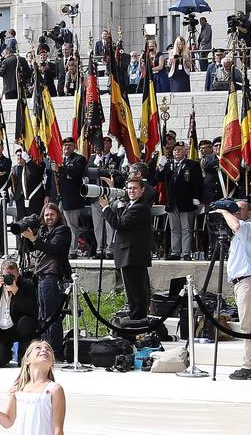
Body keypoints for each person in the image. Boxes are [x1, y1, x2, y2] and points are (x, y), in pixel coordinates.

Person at [212, 199, 251, 379]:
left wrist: (223, 212)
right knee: (250, 325)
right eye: (233, 209)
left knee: (248, 326)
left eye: (240, 209)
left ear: (249, 213)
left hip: (249, 281)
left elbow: (236, 225)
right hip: (243, 282)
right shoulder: (237, 234)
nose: (235, 212)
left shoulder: (250, 227)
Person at [20, 202, 72, 358]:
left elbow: (53, 249)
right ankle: (44, 350)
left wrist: (34, 239)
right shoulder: (42, 231)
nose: (49, 217)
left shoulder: (63, 230)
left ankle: (55, 352)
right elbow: (33, 249)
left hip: (52, 276)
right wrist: (28, 236)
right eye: (46, 215)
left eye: (52, 214)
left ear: (58, 215)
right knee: (42, 317)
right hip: (40, 277)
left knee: (51, 317)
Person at [101, 177, 154, 319]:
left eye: (135, 188)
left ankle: (137, 317)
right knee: (132, 290)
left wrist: (105, 207)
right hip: (129, 254)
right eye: (129, 188)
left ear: (142, 190)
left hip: (133, 255)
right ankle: (135, 314)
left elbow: (118, 224)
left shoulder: (140, 207)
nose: (131, 191)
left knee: (135, 290)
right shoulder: (132, 205)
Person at [0, 257, 42, 368]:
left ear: (18, 275)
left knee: (27, 322)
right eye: (6, 276)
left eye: (12, 276)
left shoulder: (26, 285)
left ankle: (23, 353)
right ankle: (3, 352)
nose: (9, 278)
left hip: (18, 328)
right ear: (0, 274)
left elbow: (32, 310)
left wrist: (16, 292)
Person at [162, 142, 202, 259]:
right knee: (174, 229)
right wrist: (160, 166)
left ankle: (186, 252)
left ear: (185, 151)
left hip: (186, 202)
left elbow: (198, 182)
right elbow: (158, 178)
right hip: (172, 202)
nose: (177, 152)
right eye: (175, 150)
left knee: (186, 229)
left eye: (180, 150)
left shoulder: (192, 164)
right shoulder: (169, 165)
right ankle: (175, 252)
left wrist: (196, 196)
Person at [53, 137, 90, 256]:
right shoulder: (58, 159)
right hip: (59, 198)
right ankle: (60, 247)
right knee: (57, 225)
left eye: (69, 145)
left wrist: (60, 168)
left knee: (72, 226)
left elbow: (74, 171)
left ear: (74, 146)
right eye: (64, 145)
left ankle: (72, 251)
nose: (66, 147)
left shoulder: (79, 159)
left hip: (72, 198)